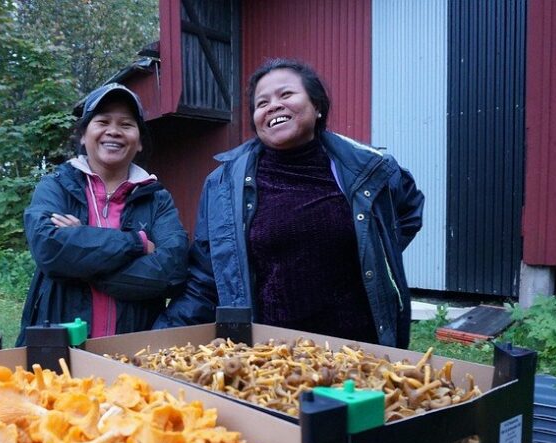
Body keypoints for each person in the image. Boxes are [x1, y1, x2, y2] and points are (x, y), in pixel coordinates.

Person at [155, 59, 424, 348]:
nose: (273, 106)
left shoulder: (367, 167)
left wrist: (372, 250)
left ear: (317, 105)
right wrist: (160, 338)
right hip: (272, 358)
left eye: (286, 95)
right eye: (262, 103)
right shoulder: (223, 185)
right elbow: (207, 277)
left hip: (358, 352)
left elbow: (408, 209)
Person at [16, 83, 188, 345]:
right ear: (84, 135)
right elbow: (48, 248)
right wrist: (137, 243)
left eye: (126, 125)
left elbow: (173, 271)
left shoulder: (157, 199)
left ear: (139, 141)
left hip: (135, 352)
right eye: (103, 121)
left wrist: (80, 257)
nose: (114, 131)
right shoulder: (57, 186)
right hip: (60, 349)